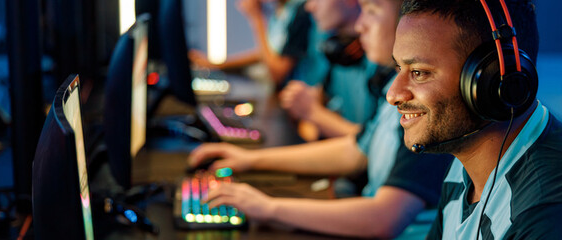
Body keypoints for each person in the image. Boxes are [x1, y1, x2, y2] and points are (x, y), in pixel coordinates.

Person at [190, 0, 454, 238]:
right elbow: (355, 151)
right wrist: (250, 160)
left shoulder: (426, 107)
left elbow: (384, 219)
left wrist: (268, 208)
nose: (360, 25)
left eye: (372, 11)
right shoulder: (388, 87)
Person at [387, 0, 562, 239]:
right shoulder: (467, 160)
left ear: (492, 80)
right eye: (399, 68)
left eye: (419, 73)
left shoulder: (554, 223)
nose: (393, 94)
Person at [279, 0, 378, 139]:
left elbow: (375, 143)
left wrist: (312, 113)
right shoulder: (336, 48)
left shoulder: (380, 59)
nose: (309, 7)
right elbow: (321, 102)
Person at [188, 0, 313, 85]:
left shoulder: (301, 11)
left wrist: (256, 18)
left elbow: (278, 73)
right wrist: (216, 64)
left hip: (297, 102)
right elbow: (267, 54)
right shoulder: (281, 10)